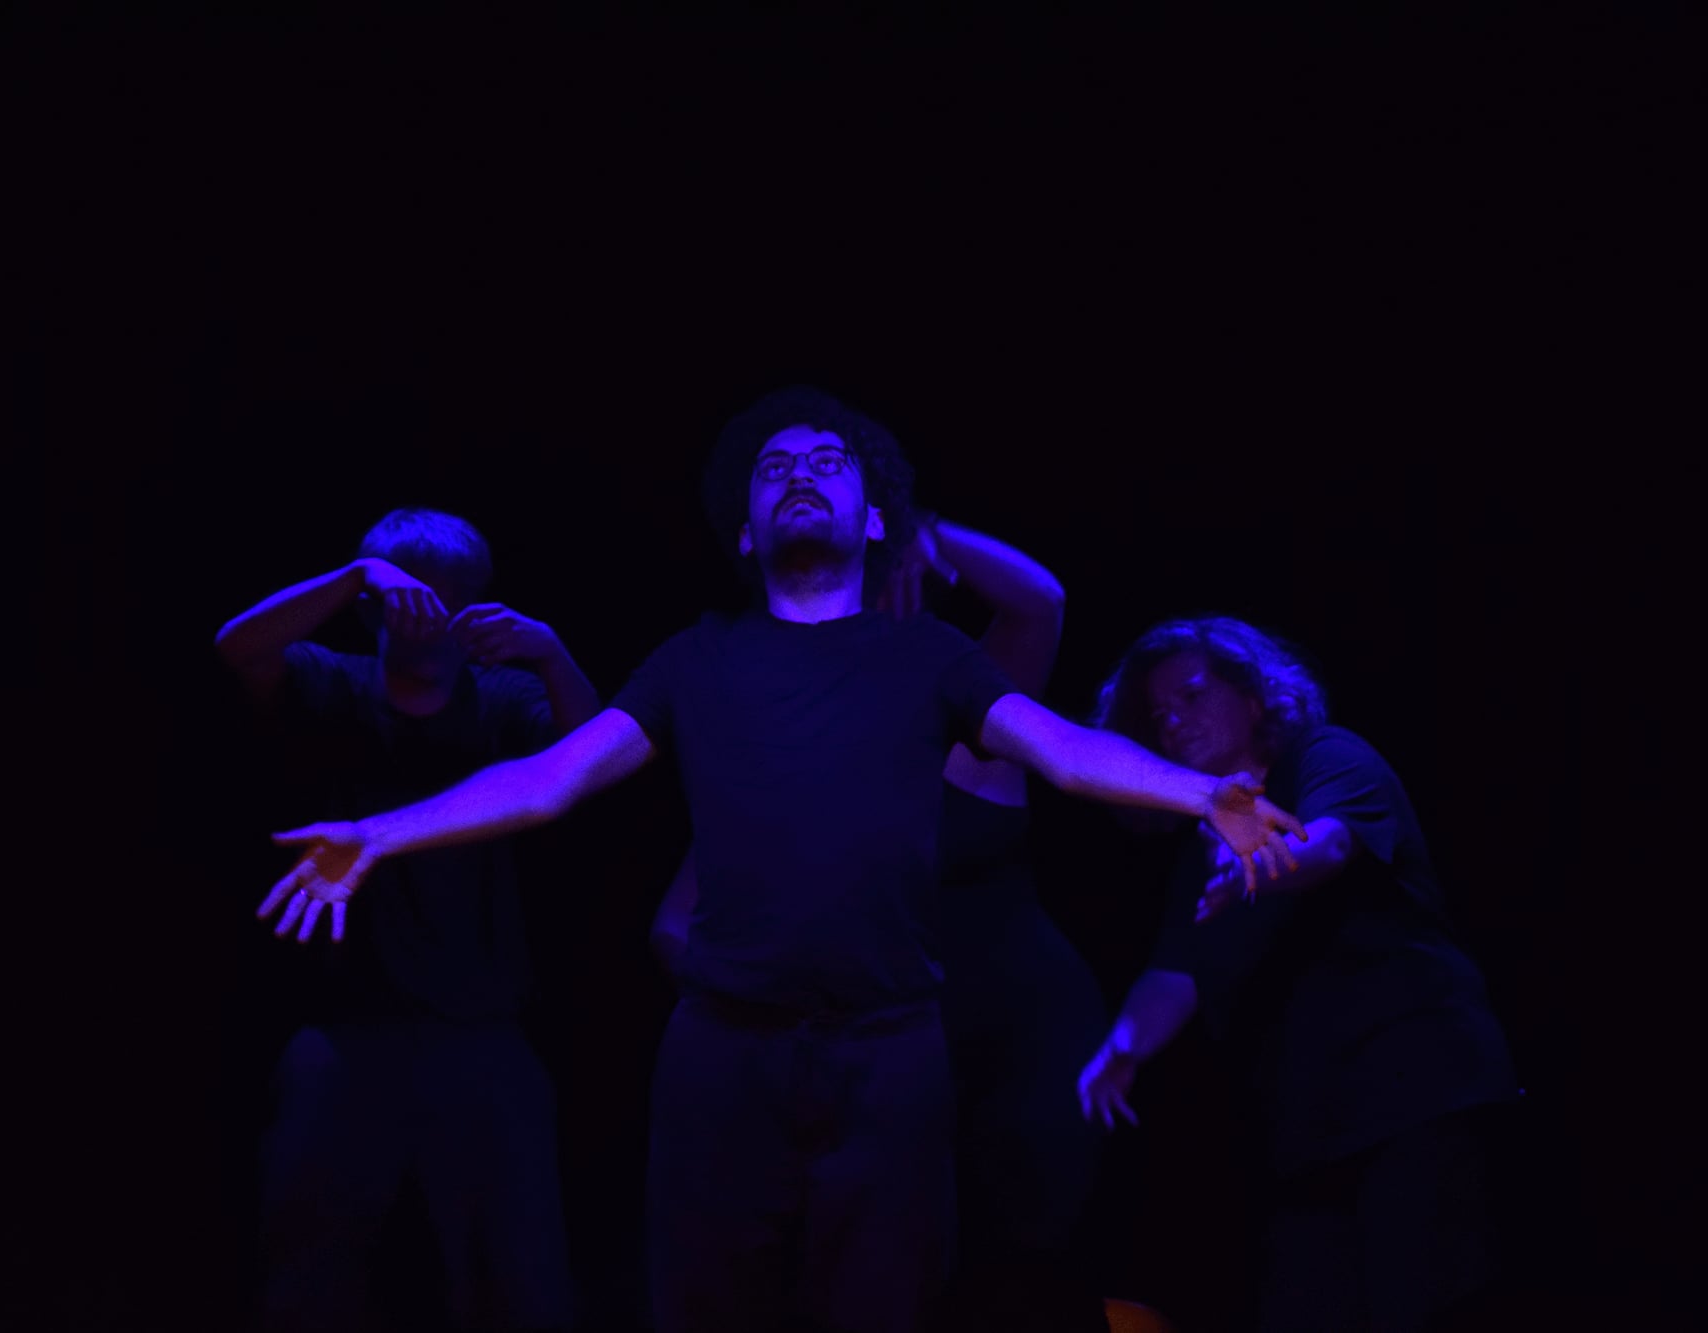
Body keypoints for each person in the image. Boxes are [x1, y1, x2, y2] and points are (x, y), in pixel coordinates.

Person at [262, 388, 1304, 1333]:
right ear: (746, 529)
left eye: (827, 461)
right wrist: (379, 832)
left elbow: (1063, 750)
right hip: (722, 1058)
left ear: (874, 520)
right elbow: (550, 778)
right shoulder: (694, 656)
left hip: (889, 1054)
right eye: (774, 467)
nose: (801, 472)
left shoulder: (930, 657)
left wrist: (1200, 792)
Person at [649, 511, 1108, 1331]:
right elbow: (675, 923)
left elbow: (1040, 603)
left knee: (1026, 1261)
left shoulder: (971, 713)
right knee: (882, 1275)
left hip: (1019, 1034)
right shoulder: (775, 776)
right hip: (878, 1054)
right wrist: (773, 1013)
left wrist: (928, 531)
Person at [1075, 618, 1519, 1333]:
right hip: (1309, 1123)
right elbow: (1176, 970)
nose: (1174, 720)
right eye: (1159, 715)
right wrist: (1121, 1048)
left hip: (1416, 1090)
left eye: (1192, 695)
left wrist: (1257, 869)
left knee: (1427, 1302)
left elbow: (1331, 843)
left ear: (1255, 697)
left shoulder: (1325, 755)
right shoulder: (1204, 846)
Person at [216, 507, 600, 1332]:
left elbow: (588, 758)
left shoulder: (500, 699)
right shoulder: (331, 682)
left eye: (454, 595)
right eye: (416, 592)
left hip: (483, 1026)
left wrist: (550, 650)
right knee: (305, 1279)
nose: (434, 611)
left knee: (526, 1281)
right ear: (375, 606)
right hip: (343, 1028)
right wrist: (356, 576)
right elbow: (237, 645)